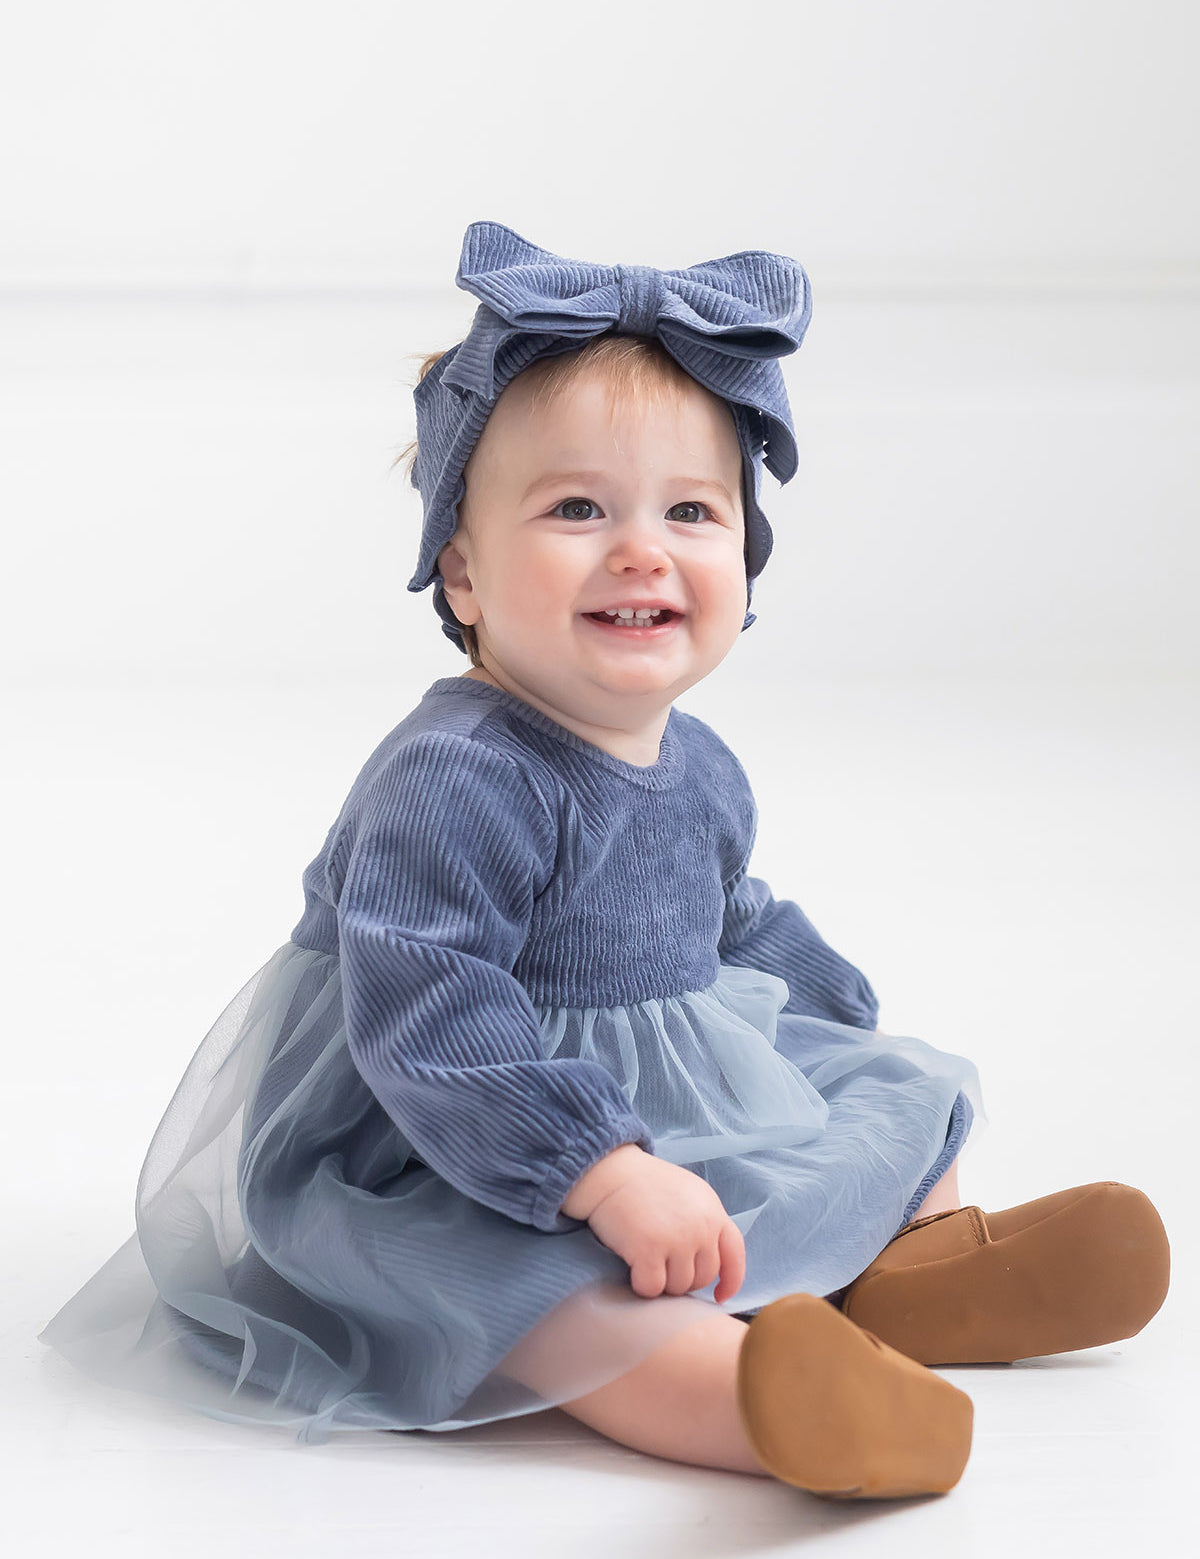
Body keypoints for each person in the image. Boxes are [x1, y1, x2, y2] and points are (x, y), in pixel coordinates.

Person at [38, 221, 1170, 1501]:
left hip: (659, 1076)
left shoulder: (698, 760)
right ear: (461, 572)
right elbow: (430, 1012)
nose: (641, 548)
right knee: (552, 1294)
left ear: (745, 560)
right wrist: (600, 1168)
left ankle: (915, 1273)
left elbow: (726, 911)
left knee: (892, 1092)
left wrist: (825, 1005)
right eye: (577, 508)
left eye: (692, 510)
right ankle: (758, 1401)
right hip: (459, 1130)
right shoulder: (457, 776)